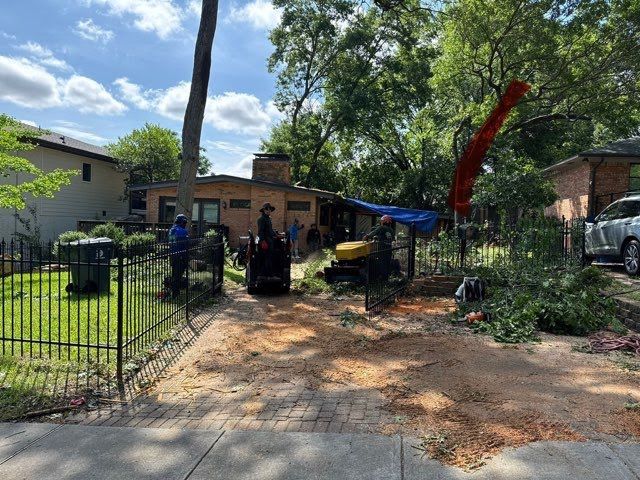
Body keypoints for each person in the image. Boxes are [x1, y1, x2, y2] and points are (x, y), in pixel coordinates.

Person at [364, 215, 395, 280]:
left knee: (382, 263)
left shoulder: (381, 228)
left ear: (383, 221)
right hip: (389, 248)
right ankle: (386, 278)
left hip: (382, 248)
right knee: (387, 263)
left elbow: (373, 233)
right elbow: (392, 239)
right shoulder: (391, 230)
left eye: (381, 221)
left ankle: (383, 279)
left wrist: (367, 236)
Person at [168, 214, 190, 298]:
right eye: (185, 223)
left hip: (173, 255)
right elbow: (186, 243)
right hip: (181, 256)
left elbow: (171, 242)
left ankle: (174, 291)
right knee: (178, 275)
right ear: (182, 222)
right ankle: (175, 293)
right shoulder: (183, 231)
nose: (185, 224)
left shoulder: (171, 230)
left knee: (174, 274)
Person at [257, 202, 277, 277]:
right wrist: (263, 241)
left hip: (270, 240)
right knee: (266, 258)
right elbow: (260, 231)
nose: (269, 211)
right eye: (267, 209)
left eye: (270, 210)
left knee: (270, 257)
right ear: (264, 210)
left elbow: (270, 230)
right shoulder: (261, 219)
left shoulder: (268, 219)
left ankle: (269, 273)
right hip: (266, 241)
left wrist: (277, 235)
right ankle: (266, 274)